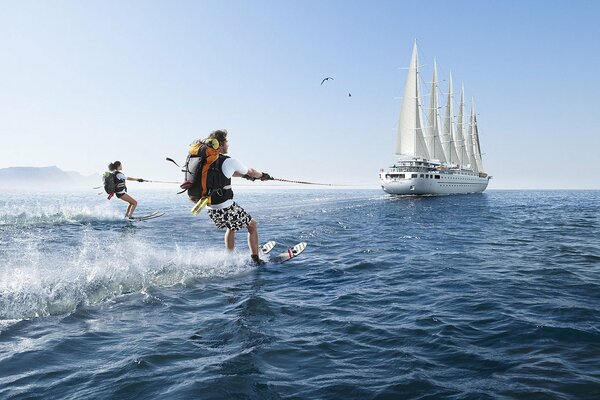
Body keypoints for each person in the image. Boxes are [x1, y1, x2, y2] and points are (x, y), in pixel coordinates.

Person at [194, 129, 271, 265]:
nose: (228, 145)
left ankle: (229, 257)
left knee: (232, 226)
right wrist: (263, 175)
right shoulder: (228, 160)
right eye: (227, 142)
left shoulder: (207, 162)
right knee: (252, 225)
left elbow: (227, 173)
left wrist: (244, 176)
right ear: (221, 144)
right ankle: (256, 259)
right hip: (225, 207)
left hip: (210, 207)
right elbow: (252, 171)